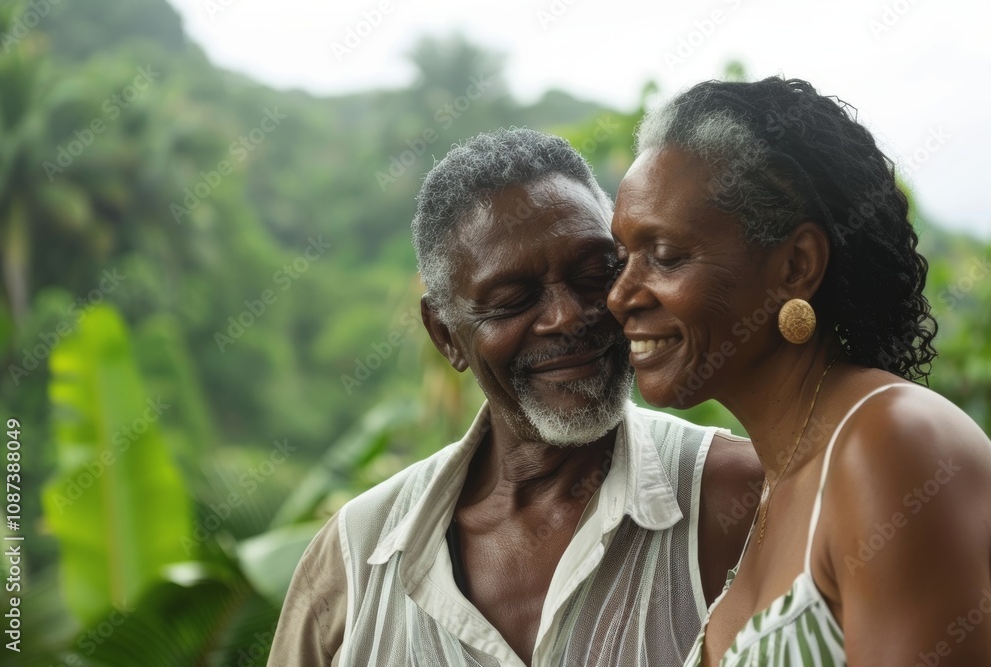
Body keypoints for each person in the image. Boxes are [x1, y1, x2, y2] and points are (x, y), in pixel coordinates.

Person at [267, 128, 761, 667]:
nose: (566, 316)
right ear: (447, 336)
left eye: (595, 274)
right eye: (511, 300)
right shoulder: (356, 560)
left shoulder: (739, 500)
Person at [607, 76, 991, 666]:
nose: (621, 295)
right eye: (621, 259)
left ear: (795, 266)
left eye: (664, 256)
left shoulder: (887, 444)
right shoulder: (771, 488)